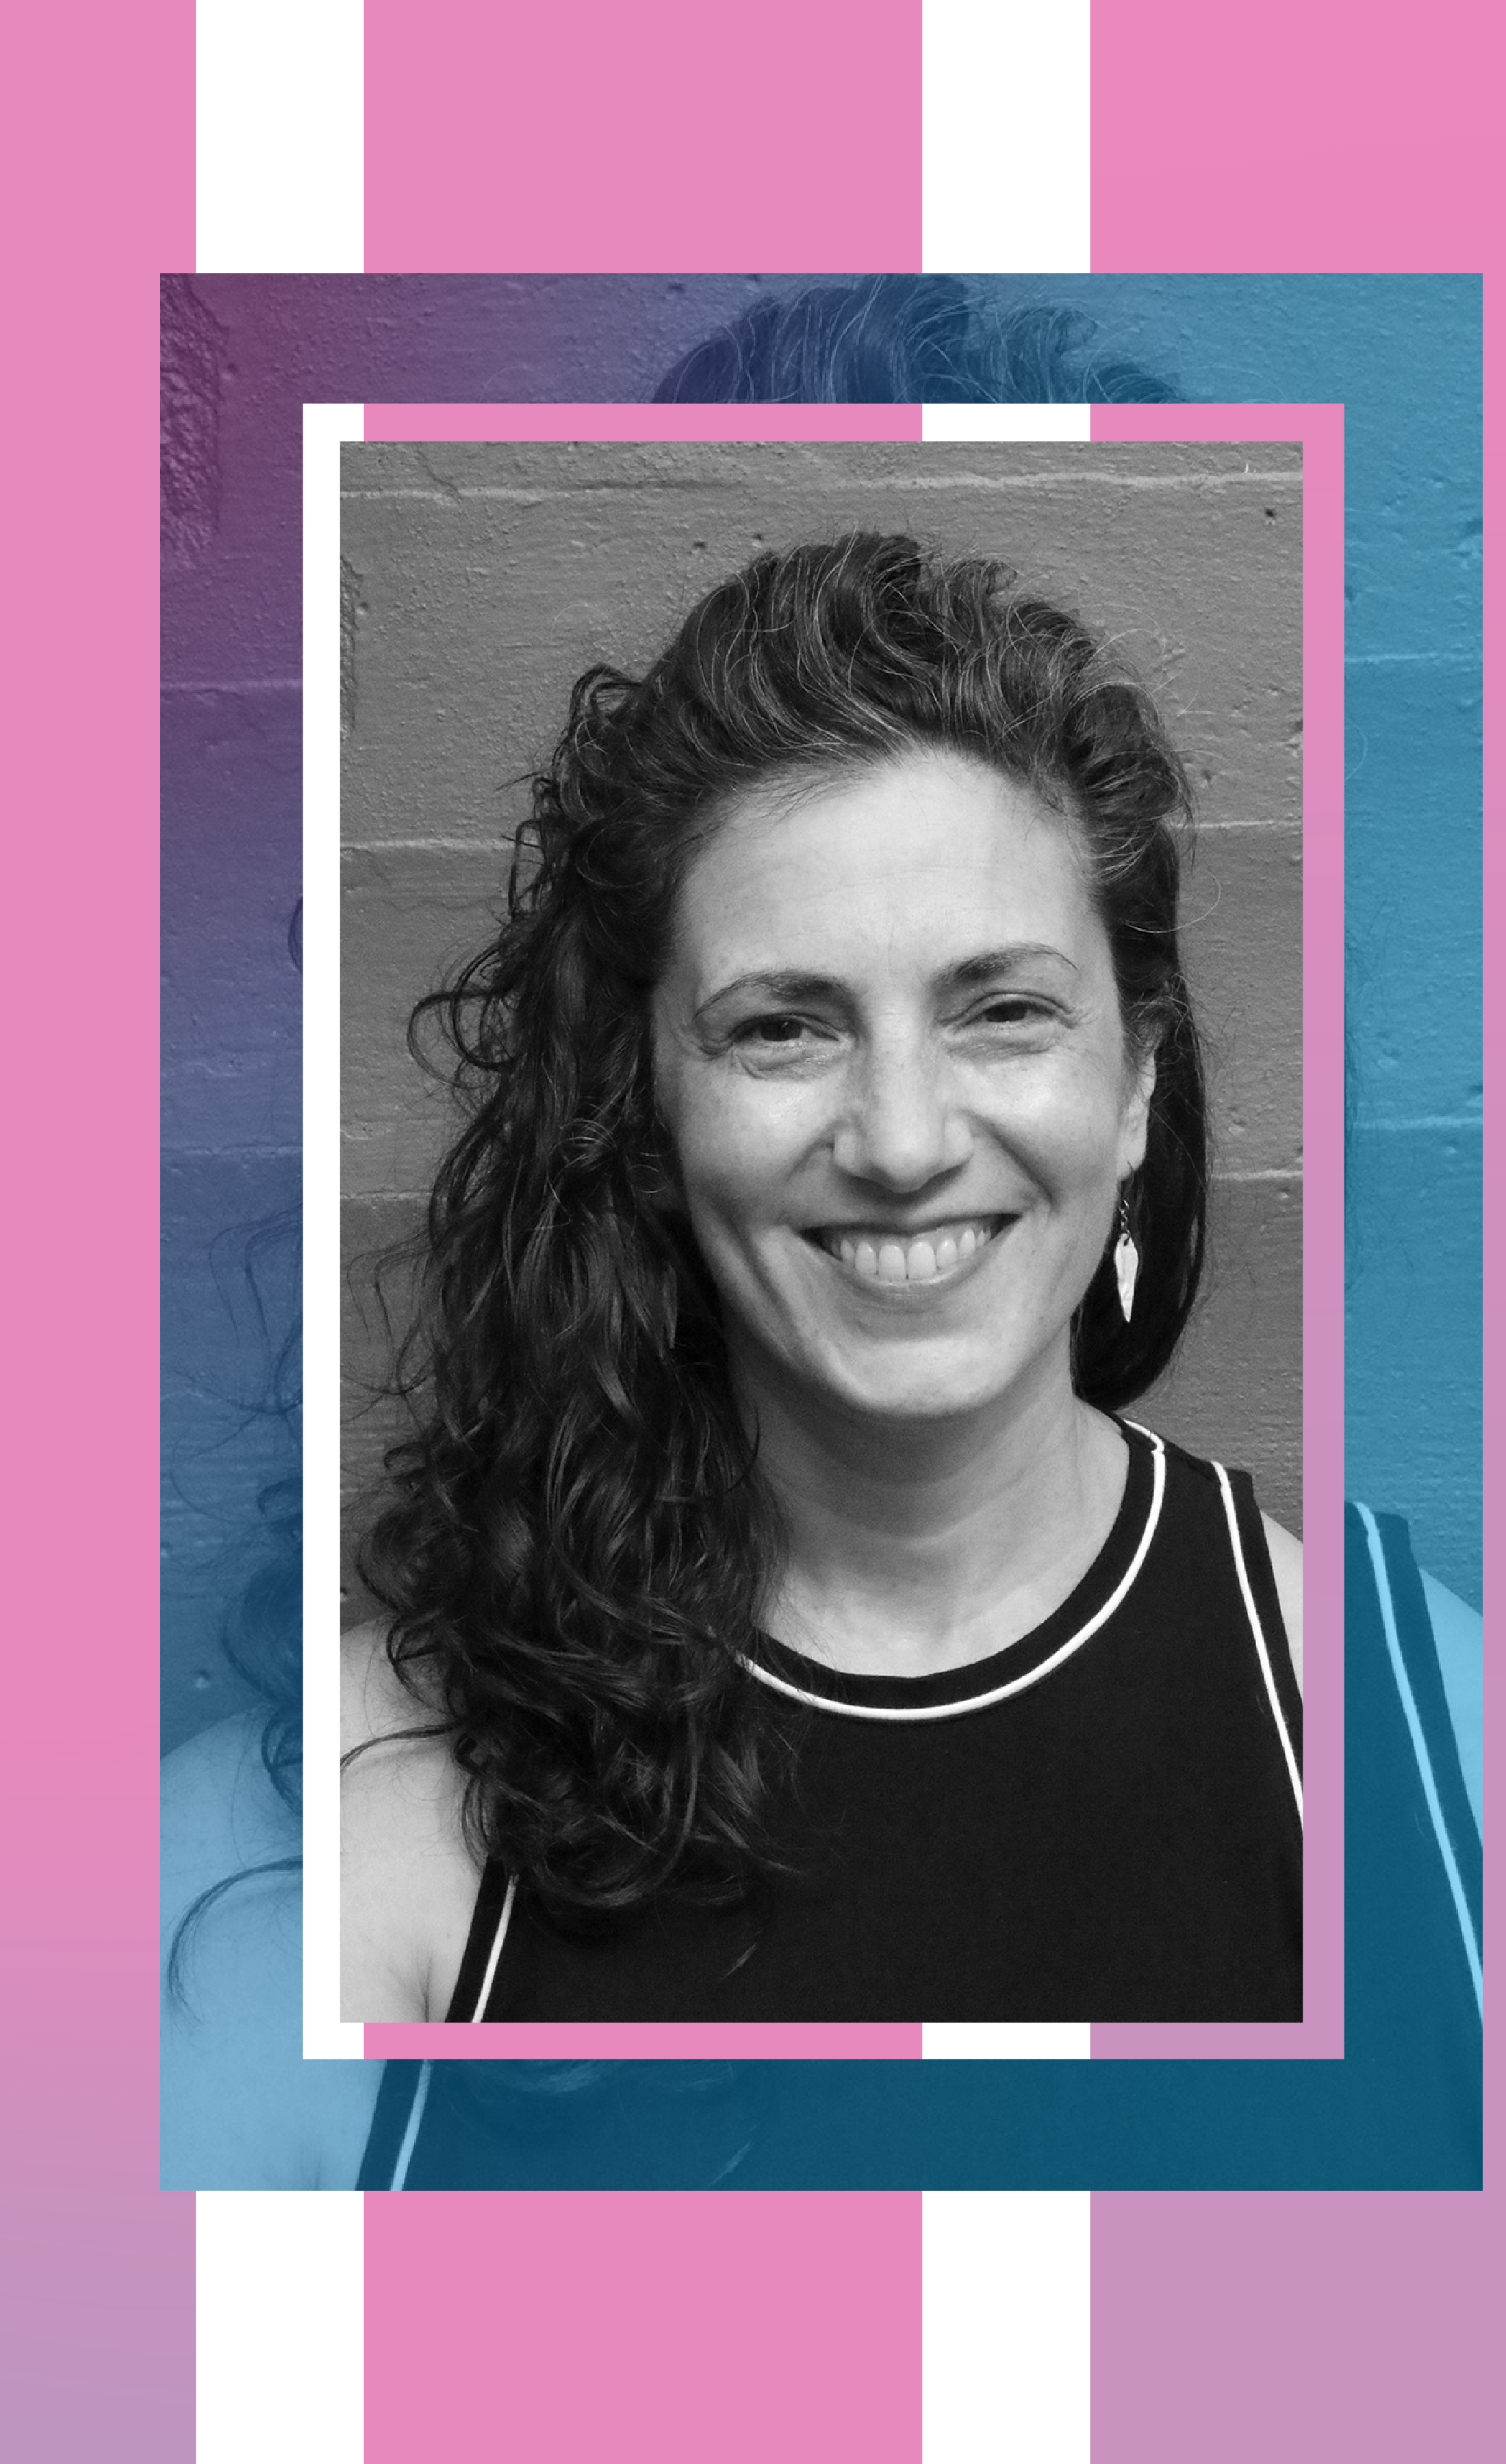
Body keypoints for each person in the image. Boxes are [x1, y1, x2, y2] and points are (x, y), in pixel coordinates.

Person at [340, 527, 1305, 2046]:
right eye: (784, 1028)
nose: (903, 1144)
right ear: (647, 1113)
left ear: (1136, 1083)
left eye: (1003, 1010)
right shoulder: (361, 1804)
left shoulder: (1420, 1737)